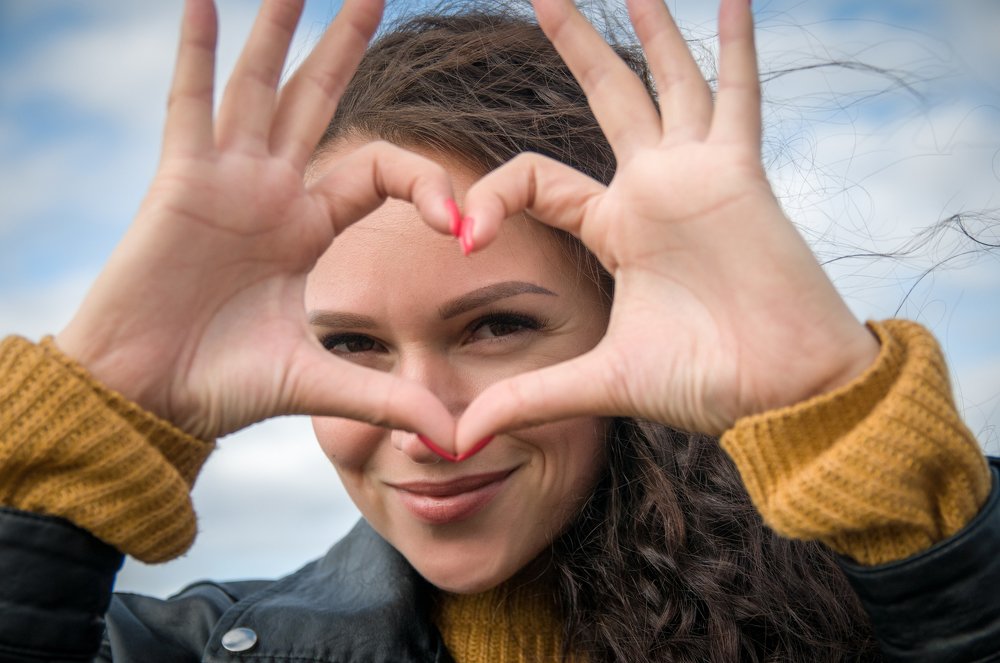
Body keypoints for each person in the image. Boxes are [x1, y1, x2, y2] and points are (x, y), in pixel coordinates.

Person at [1, 0, 998, 661]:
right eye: (349, 344)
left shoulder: (888, 603)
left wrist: (844, 427)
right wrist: (96, 417)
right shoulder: (183, 646)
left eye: (497, 327)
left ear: (630, 317)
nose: (432, 426)